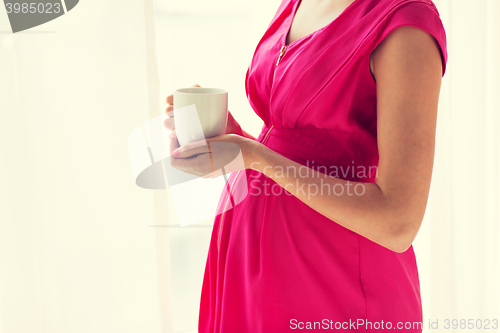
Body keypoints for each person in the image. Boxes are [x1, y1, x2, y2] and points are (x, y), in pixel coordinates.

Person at [164, 0, 447, 331]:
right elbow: (296, 146)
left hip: (332, 285)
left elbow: (398, 222)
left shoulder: (406, 23)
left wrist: (255, 155)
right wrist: (235, 140)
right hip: (250, 271)